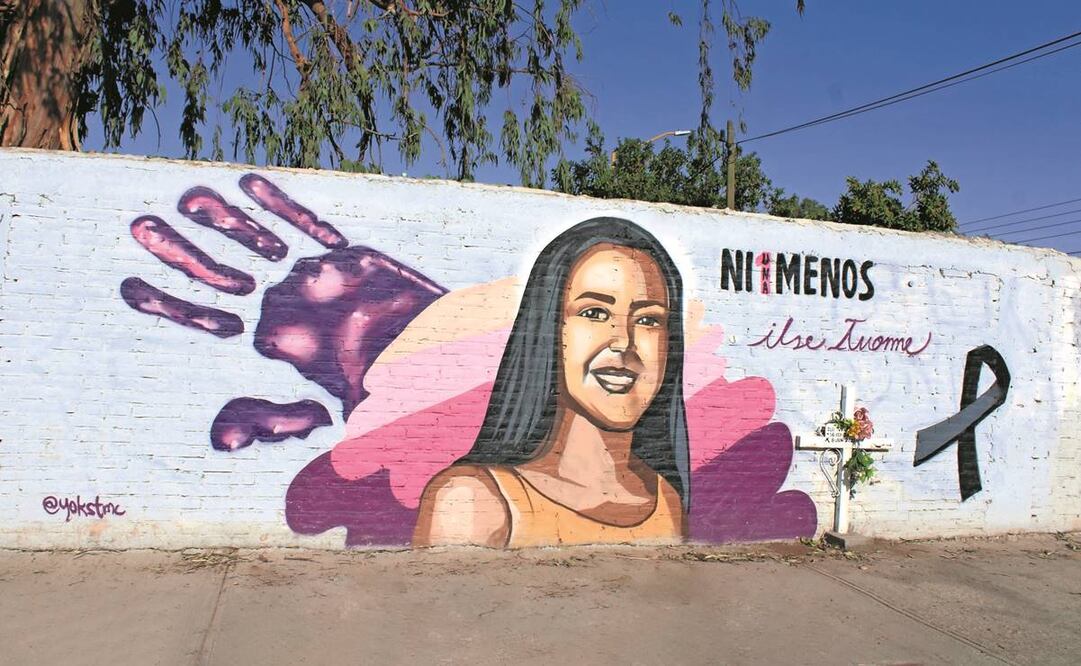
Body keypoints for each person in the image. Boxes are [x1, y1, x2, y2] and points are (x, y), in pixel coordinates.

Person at [412, 217, 690, 547]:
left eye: (648, 320)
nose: (622, 343)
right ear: (549, 327)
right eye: (595, 313)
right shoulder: (472, 503)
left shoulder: (666, 502)